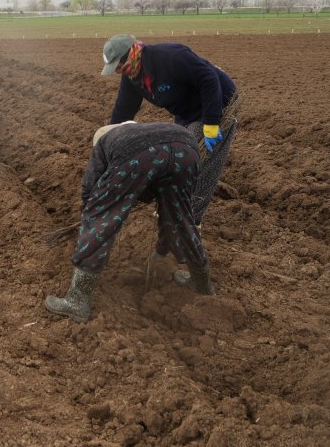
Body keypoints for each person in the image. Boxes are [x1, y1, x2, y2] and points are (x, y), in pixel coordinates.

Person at [45, 121, 213, 324]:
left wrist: (91, 214)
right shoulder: (139, 132)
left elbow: (91, 190)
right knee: (181, 217)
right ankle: (201, 283)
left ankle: (77, 300)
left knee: (100, 214)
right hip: (187, 149)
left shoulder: (104, 145)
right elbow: (156, 177)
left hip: (142, 156)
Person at [100, 34, 238, 226]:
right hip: (186, 111)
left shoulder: (169, 56)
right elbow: (124, 109)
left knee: (198, 160)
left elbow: (209, 78)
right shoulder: (132, 76)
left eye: (118, 67)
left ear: (131, 54)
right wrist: (108, 145)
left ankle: (191, 221)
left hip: (218, 102)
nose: (118, 72)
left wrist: (212, 122)